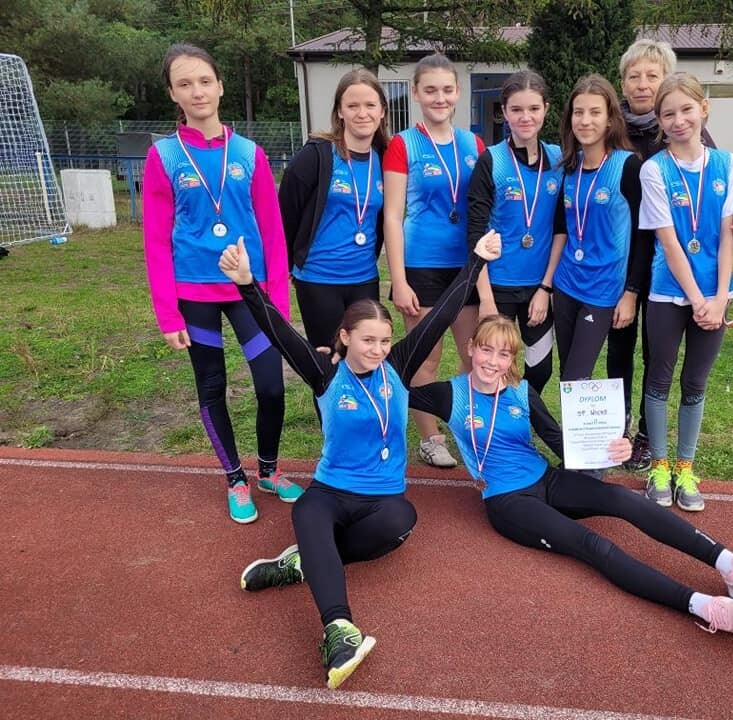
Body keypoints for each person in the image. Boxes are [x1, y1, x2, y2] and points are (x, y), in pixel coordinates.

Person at [241, 315, 733, 643]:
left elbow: (563, 447)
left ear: (511, 361)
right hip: (508, 503)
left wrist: (616, 449)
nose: (492, 361)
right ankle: (704, 606)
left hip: (546, 479)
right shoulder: (449, 394)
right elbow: (388, 385)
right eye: (485, 349)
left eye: (504, 354)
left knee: (625, 503)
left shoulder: (523, 393)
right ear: (471, 350)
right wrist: (345, 361)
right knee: (592, 546)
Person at [221, 231, 502, 689]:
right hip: (332, 491)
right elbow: (279, 332)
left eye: (385, 340)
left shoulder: (399, 366)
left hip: (381, 499)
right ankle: (339, 630)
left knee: (402, 521)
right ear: (344, 337)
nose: (378, 349)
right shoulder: (324, 373)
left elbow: (444, 312)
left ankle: (301, 563)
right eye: (368, 340)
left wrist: (476, 260)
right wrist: (247, 284)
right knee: (307, 511)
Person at [143, 43, 300, 524]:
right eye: (185, 84)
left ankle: (268, 470)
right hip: (194, 293)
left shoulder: (249, 154)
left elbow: (272, 232)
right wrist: (167, 313)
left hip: (249, 289)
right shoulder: (164, 156)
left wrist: (278, 303)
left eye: (204, 81)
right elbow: (156, 239)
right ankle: (235, 478)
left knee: (270, 387)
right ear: (173, 94)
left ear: (220, 86)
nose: (197, 91)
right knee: (212, 386)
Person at [610, 38, 733, 472]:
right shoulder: (617, 131)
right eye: (634, 76)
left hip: (686, 272)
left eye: (651, 76)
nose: (642, 83)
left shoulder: (708, 146)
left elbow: (725, 211)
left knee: (676, 371)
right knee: (630, 356)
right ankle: (628, 437)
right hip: (634, 266)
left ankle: (660, 449)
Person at [638, 72, 733, 512]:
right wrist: (697, 298)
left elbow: (727, 236)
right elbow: (668, 242)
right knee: (659, 379)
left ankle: (685, 467)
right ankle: (659, 466)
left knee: (696, 382)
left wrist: (719, 298)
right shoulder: (653, 169)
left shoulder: (727, 164)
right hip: (668, 292)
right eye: (668, 114)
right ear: (659, 121)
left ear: (704, 109)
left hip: (715, 295)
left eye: (686, 109)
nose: (678, 120)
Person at [383, 53, 486, 468]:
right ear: (415, 93)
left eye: (446, 89)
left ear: (458, 92)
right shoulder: (403, 144)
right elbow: (392, 215)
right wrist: (399, 280)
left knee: (472, 355)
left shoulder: (474, 144)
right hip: (421, 266)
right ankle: (430, 438)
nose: (439, 98)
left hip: (466, 266)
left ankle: (468, 427)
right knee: (426, 358)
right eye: (430, 90)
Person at [278, 69, 390, 352]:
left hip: (365, 277)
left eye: (370, 105)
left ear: (382, 111)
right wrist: (290, 261)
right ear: (340, 111)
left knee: (366, 356)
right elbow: (285, 214)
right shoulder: (317, 155)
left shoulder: (385, 158)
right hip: (319, 279)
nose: (362, 113)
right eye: (352, 106)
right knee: (329, 359)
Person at [467, 70, 563, 393]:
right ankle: (498, 417)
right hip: (498, 286)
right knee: (494, 367)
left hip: (538, 286)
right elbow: (475, 235)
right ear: (505, 112)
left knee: (541, 368)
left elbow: (561, 228)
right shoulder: (491, 161)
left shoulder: (558, 159)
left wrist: (545, 288)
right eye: (517, 109)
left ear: (545, 109)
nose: (526, 117)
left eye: (534, 108)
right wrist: (486, 300)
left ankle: (521, 413)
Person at [544, 73, 643, 382]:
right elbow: (563, 227)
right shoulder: (568, 167)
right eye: (579, 112)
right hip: (566, 283)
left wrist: (631, 293)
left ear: (610, 119)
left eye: (595, 112)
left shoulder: (629, 166)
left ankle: (605, 416)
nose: (585, 120)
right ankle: (575, 418)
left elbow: (643, 236)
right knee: (568, 373)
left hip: (604, 288)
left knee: (576, 374)